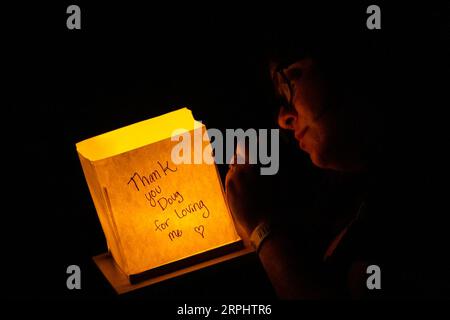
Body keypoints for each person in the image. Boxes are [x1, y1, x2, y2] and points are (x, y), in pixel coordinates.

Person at [225, 8, 449, 299]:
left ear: (351, 63)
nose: (284, 118)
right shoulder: (359, 198)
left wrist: (263, 231)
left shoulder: (416, 204)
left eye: (292, 78)